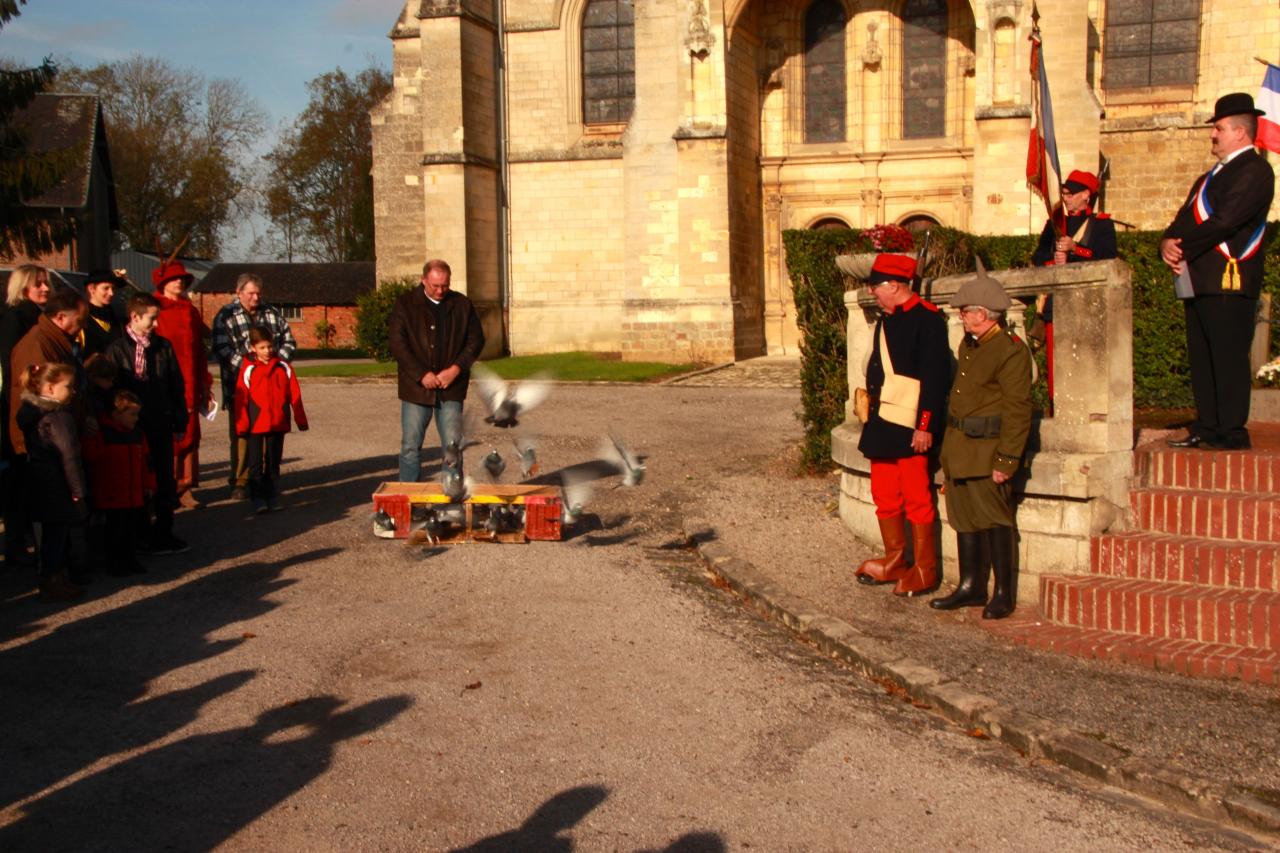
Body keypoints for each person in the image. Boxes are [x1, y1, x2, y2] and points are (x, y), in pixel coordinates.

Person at [1161, 92, 1275, 451]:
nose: (1213, 134)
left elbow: (1226, 221)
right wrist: (1166, 242)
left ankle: (1231, 432)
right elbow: (1182, 218)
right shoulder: (1206, 178)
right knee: (1202, 356)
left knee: (1227, 356)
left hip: (1230, 278)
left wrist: (1184, 245)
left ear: (1241, 133)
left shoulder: (1256, 171)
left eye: (1219, 128)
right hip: (1198, 279)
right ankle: (1207, 426)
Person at [932, 260, 1033, 620]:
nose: (961, 316)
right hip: (961, 447)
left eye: (966, 311)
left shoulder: (1009, 350)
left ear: (985, 313)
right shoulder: (970, 344)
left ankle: (1003, 593)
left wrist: (1007, 460)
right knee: (963, 519)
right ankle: (971, 586)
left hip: (988, 450)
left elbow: (1018, 409)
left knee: (995, 520)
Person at [853, 254, 950, 597]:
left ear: (894, 285)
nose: (872, 293)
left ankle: (925, 569)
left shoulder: (929, 320)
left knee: (916, 499)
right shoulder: (886, 321)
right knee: (885, 497)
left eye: (876, 287)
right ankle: (896, 560)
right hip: (882, 423)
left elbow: (935, 379)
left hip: (909, 425)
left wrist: (925, 426)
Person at [104, 292, 189, 555]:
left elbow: (176, 384)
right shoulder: (117, 350)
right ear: (135, 317)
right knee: (136, 481)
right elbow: (112, 390)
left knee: (164, 480)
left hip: (160, 422)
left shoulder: (163, 347)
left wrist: (179, 419)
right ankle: (137, 536)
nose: (155, 324)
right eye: (151, 319)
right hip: (131, 427)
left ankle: (164, 532)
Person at [388, 259, 485, 482]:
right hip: (416, 388)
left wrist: (455, 369)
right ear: (423, 280)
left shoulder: (462, 304)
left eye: (445, 285)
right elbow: (397, 344)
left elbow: (476, 341)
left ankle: (452, 498)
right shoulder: (405, 304)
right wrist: (421, 374)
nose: (441, 290)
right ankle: (410, 498)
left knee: (452, 448)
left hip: (451, 387)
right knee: (410, 447)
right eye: (435, 286)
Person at [1030, 169, 1117, 415]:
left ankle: (1089, 410)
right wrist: (1054, 259)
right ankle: (1058, 411)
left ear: (1086, 195)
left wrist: (1076, 248)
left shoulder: (1102, 224)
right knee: (1056, 365)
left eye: (1071, 193)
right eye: (1065, 193)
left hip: (1087, 304)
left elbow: (1108, 258)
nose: (1066, 198)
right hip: (1056, 304)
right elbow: (1038, 257)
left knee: (1086, 363)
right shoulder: (1055, 224)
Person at [212, 273, 296, 498]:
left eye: (258, 293)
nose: (256, 297)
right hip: (240, 389)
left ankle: (269, 479)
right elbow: (222, 348)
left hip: (273, 390)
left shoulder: (272, 313)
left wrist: (278, 363)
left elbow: (289, 340)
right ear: (239, 292)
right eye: (251, 293)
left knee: (271, 436)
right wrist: (252, 368)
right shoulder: (226, 315)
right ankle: (240, 481)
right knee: (242, 435)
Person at [14, 362, 88, 601]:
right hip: (57, 484)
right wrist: (77, 489)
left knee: (49, 534)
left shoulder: (32, 413)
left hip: (41, 482)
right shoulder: (56, 418)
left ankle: (55, 577)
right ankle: (53, 581)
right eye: (68, 386)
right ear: (49, 387)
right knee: (57, 535)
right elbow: (69, 456)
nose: (73, 391)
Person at [1, 264, 51, 568]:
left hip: (33, 403)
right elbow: (11, 367)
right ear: (23, 287)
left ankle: (28, 536)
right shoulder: (14, 318)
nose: (45, 288)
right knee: (17, 479)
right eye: (39, 284)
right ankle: (16, 541)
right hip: (18, 406)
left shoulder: (38, 316)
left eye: (46, 284)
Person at [153, 260, 212, 509]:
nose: (179, 282)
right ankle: (166, 485)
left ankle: (186, 485)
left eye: (182, 279)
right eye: (174, 279)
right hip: (164, 381)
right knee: (167, 436)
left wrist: (203, 383)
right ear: (163, 283)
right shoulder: (156, 309)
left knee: (189, 434)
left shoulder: (191, 311)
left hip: (190, 379)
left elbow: (198, 349)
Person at [234, 325, 309, 513]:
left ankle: (272, 494)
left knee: (273, 461)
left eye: (269, 347)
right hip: (256, 423)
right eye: (262, 348)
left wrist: (300, 420)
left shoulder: (283, 367)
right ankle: (257, 497)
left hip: (278, 422)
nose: (267, 351)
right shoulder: (248, 369)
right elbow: (240, 399)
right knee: (256, 463)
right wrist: (242, 425)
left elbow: (295, 395)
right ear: (252, 348)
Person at [82, 389, 154, 577]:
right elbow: (91, 457)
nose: (136, 418)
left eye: (137, 414)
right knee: (114, 531)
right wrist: (89, 434)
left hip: (134, 493)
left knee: (131, 530)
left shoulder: (138, 434)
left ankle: (130, 560)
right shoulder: (102, 433)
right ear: (116, 414)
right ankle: (115, 563)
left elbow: (147, 463)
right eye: (132, 414)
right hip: (112, 493)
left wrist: (149, 485)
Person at [8, 288, 86, 457]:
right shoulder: (37, 345)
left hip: (55, 439)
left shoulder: (58, 342)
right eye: (80, 321)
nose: (82, 327)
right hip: (43, 445)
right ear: (60, 317)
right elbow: (35, 399)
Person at [81, 268, 126, 358]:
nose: (111, 293)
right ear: (91, 289)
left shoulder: (117, 319)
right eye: (106, 288)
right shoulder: (82, 319)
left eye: (113, 288)